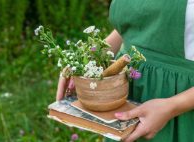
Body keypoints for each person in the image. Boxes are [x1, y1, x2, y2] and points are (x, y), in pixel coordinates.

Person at [56, 0, 194, 142]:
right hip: (125, 91)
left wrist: (172, 106)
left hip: (180, 103)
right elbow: (139, 23)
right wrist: (90, 57)